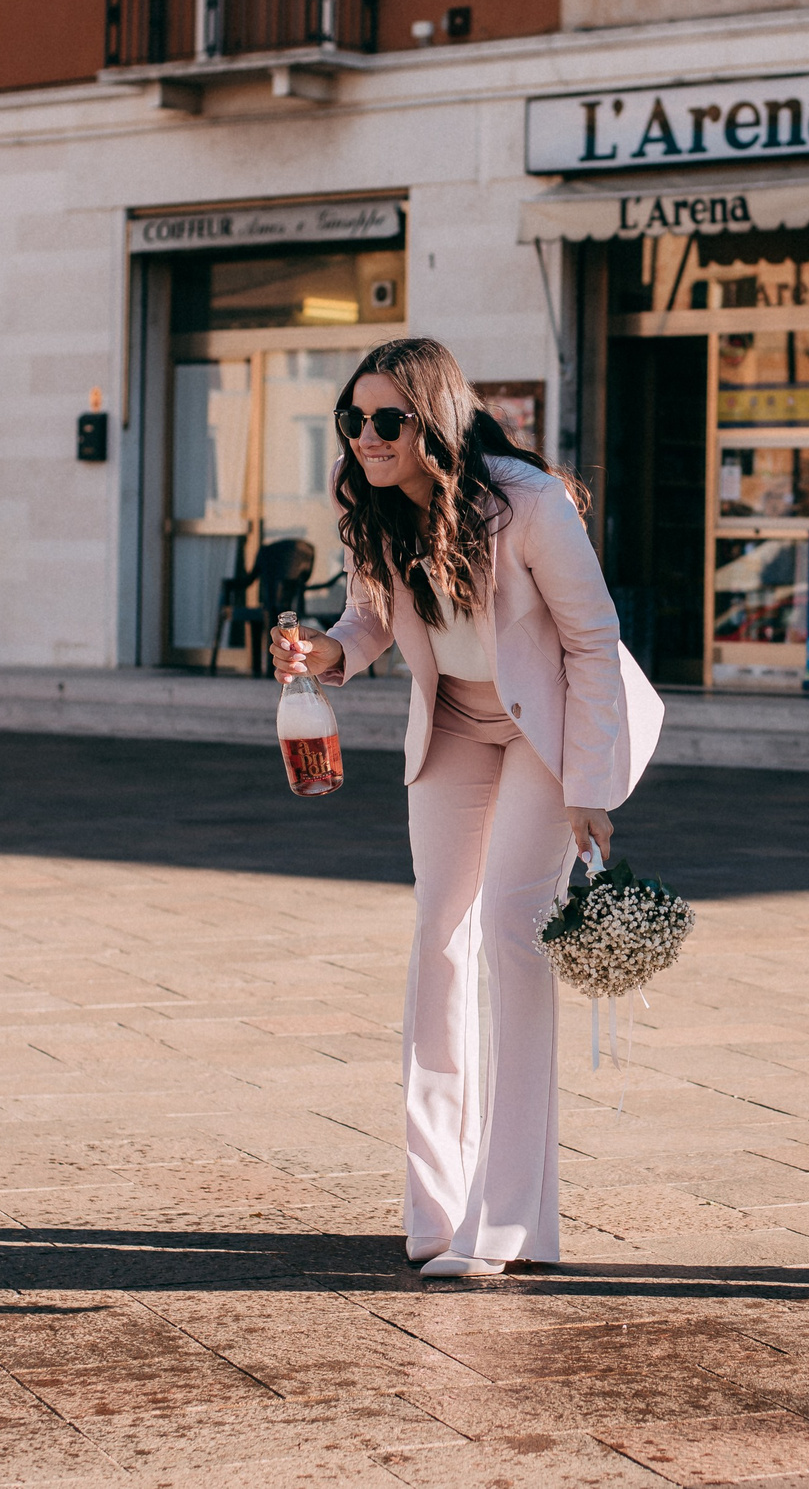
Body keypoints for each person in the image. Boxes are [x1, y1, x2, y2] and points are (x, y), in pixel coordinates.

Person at [269, 337, 662, 1280]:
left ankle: (510, 1220)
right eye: (353, 419)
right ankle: (436, 1206)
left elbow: (593, 638)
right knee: (438, 936)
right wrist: (331, 650)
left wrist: (591, 789)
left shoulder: (529, 504)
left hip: (543, 729)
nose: (366, 436)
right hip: (450, 724)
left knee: (512, 932)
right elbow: (372, 609)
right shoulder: (359, 490)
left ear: (434, 421)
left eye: (388, 421)